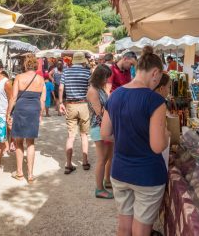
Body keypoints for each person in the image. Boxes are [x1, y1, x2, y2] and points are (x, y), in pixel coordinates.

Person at [101, 46, 170, 236]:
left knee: (124, 226)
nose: (158, 81)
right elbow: (157, 146)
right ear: (155, 73)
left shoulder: (115, 95)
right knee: (141, 229)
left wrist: (127, 135)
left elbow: (105, 133)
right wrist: (166, 135)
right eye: (159, 77)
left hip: (120, 171)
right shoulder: (155, 101)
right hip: (147, 175)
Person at [7, 54, 46, 183]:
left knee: (19, 142)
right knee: (31, 143)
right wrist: (40, 114)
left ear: (25, 65)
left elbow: (13, 98)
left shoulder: (19, 77)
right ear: (36, 65)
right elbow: (43, 100)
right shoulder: (41, 80)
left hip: (21, 109)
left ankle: (19, 173)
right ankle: (30, 174)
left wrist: (8, 114)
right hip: (34, 110)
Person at [59, 52, 91, 174]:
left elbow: (61, 88)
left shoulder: (66, 71)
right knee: (84, 135)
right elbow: (90, 88)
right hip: (83, 104)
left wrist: (61, 103)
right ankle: (85, 162)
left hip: (70, 105)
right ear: (83, 60)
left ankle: (68, 164)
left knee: (71, 136)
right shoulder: (87, 71)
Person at [87, 64, 113, 199]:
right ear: (99, 77)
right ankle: (99, 189)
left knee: (108, 157)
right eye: (105, 77)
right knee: (102, 159)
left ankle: (106, 182)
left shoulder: (99, 89)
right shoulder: (93, 90)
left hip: (105, 127)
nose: (107, 80)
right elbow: (99, 112)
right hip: (99, 128)